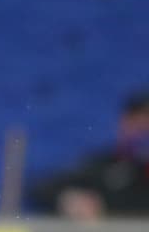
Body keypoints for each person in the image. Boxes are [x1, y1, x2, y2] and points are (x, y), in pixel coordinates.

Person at [27, 90, 149, 219]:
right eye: (139, 123)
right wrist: (69, 199)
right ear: (123, 124)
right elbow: (43, 189)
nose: (144, 131)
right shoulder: (104, 167)